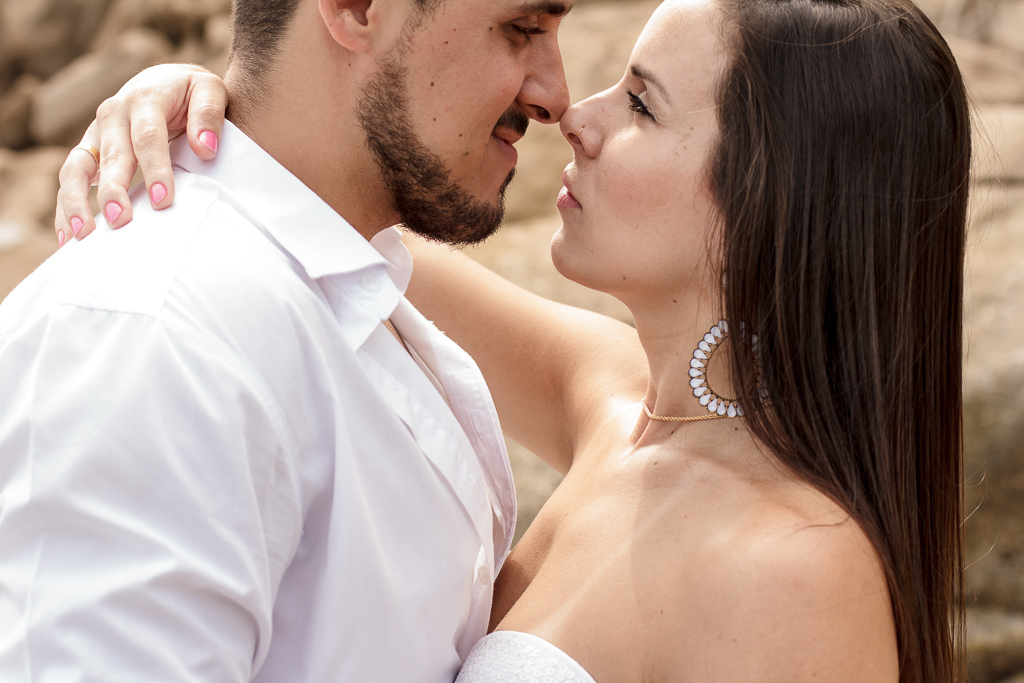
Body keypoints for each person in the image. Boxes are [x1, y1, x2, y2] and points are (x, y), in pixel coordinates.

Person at [52, 0, 971, 680]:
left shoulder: (795, 568)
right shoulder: (622, 411)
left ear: (776, 200)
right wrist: (206, 115)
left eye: (642, 106)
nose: (577, 111)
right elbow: (327, 226)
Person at [0, 0, 575, 681]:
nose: (556, 97)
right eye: (523, 29)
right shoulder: (161, 334)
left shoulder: (349, 284)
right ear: (356, 9)